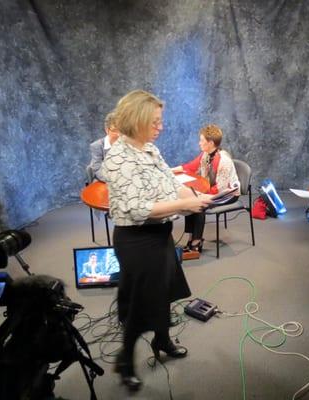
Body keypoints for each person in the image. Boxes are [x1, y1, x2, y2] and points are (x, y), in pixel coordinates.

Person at [101, 90, 211, 392]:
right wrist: (184, 206)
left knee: (163, 292)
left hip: (159, 236)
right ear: (136, 120)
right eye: (155, 121)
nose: (160, 127)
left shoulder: (150, 149)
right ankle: (125, 359)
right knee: (142, 303)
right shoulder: (118, 158)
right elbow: (138, 208)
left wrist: (195, 197)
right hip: (136, 241)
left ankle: (162, 340)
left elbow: (171, 185)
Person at [173, 124, 240, 252]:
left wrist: (199, 195)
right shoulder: (206, 154)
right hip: (214, 190)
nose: (199, 143)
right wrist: (170, 171)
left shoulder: (223, 161)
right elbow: (190, 166)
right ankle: (191, 237)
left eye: (201, 140)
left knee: (199, 203)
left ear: (210, 143)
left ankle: (196, 243)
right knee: (191, 200)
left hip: (228, 194)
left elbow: (220, 189)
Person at [88, 112, 120, 181]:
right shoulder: (97, 146)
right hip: (103, 180)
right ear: (107, 130)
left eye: (121, 130)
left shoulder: (127, 144)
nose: (118, 134)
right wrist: (112, 181)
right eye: (115, 130)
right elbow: (97, 168)